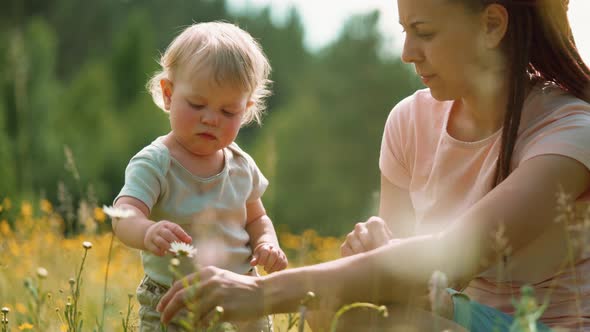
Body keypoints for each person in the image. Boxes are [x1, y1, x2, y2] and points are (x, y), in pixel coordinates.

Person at [156, 0, 590, 331]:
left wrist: (259, 291)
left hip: (543, 325)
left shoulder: (571, 128)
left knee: (356, 315)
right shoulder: (410, 120)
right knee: (335, 306)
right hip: (452, 313)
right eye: (404, 31)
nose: (407, 52)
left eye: (424, 32)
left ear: (492, 25)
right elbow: (406, 271)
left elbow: (453, 254)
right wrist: (379, 255)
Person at [112, 21, 288, 331]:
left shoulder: (242, 164)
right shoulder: (156, 162)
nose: (211, 119)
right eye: (197, 104)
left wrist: (267, 243)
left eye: (228, 112)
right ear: (168, 94)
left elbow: (257, 219)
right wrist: (147, 231)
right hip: (173, 299)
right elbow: (123, 215)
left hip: (241, 293)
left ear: (246, 110)